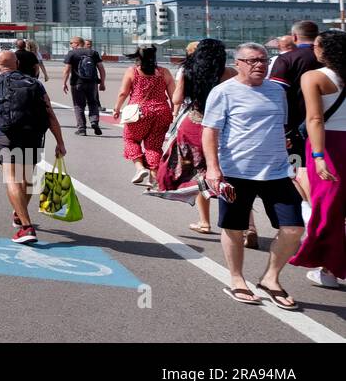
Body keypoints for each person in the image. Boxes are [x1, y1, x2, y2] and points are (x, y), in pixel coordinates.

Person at [204, 42, 304, 308]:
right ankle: (237, 279)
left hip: (276, 171)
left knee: (294, 228)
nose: (260, 65)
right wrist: (213, 168)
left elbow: (278, 127)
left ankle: (270, 278)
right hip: (236, 171)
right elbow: (210, 131)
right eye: (252, 61)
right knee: (235, 228)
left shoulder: (277, 91)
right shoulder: (223, 92)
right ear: (238, 63)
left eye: (264, 60)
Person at [0, 50, 67, 244]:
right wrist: (60, 142)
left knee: (12, 178)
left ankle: (26, 227)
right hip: (33, 134)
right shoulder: (34, 83)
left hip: (8, 135)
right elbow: (50, 115)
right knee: (28, 178)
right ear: (18, 63)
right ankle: (19, 213)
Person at [156, 38, 235, 234]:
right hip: (226, 127)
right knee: (233, 176)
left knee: (202, 174)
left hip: (196, 125)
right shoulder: (230, 73)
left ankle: (205, 222)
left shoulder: (188, 71)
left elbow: (177, 99)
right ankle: (248, 226)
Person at [291, 30, 346, 289]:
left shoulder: (313, 77)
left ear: (324, 50)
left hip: (329, 145)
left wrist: (318, 155)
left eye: (316, 46)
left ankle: (329, 268)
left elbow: (315, 119)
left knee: (328, 209)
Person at [269, 20, 321, 199]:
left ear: (295, 36)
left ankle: (309, 209)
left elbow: (276, 94)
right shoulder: (331, 57)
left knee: (300, 168)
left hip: (296, 124)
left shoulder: (287, 59)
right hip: (332, 121)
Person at [113, 46, 175, 186]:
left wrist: (116, 108)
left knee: (131, 139)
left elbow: (123, 92)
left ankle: (140, 168)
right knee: (153, 146)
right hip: (161, 112)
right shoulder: (164, 72)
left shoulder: (133, 71)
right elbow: (173, 95)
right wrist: (173, 111)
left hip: (139, 113)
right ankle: (153, 178)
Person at [63, 36, 106, 137]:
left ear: (77, 43)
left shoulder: (72, 53)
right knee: (93, 103)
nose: (70, 45)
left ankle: (82, 129)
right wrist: (102, 82)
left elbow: (67, 70)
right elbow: (101, 69)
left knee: (79, 106)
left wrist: (64, 83)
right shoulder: (93, 53)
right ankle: (94, 122)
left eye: (71, 43)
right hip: (92, 83)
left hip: (77, 83)